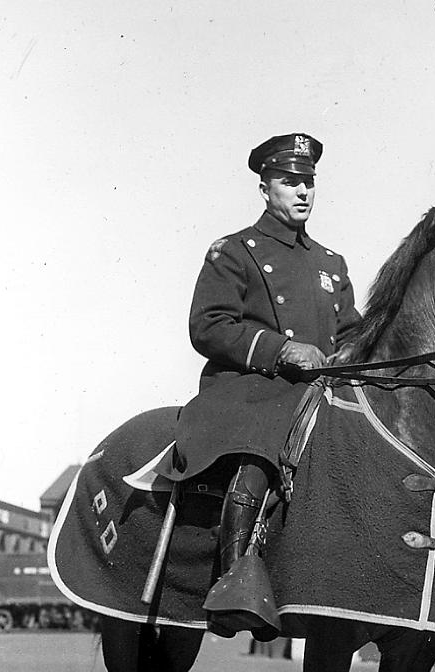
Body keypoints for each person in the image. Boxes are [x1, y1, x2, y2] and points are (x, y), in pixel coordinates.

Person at [160, 132, 362, 635]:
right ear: (265, 187)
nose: (302, 192)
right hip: (252, 388)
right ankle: (235, 581)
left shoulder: (330, 264)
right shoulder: (234, 252)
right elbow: (209, 325)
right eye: (289, 181)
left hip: (319, 394)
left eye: (308, 182)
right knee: (260, 454)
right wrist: (282, 349)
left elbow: (352, 329)